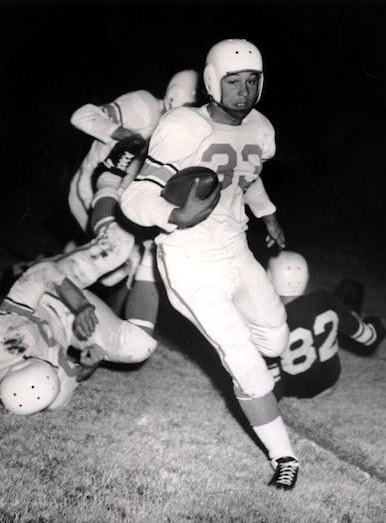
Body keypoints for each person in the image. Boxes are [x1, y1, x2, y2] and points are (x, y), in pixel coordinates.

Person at [121, 38, 299, 490]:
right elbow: (136, 194)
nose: (243, 90)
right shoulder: (183, 126)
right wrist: (171, 215)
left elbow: (247, 177)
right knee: (241, 356)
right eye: (234, 81)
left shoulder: (261, 127)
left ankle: (268, 373)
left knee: (276, 335)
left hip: (236, 250)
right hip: (189, 259)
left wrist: (268, 214)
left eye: (252, 81)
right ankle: (285, 456)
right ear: (213, 82)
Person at [67, 69, 199, 332]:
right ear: (173, 101)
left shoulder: (178, 132)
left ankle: (112, 332)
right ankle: (38, 282)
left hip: (124, 200)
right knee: (114, 259)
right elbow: (81, 116)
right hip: (93, 188)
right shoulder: (144, 105)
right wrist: (123, 133)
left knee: (132, 263)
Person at [0, 221, 158, 415]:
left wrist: (80, 305)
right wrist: (89, 366)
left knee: (118, 243)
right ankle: (150, 255)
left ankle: (105, 214)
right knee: (138, 345)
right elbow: (75, 376)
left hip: (45, 294)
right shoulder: (51, 396)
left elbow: (41, 274)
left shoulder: (2, 339)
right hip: (67, 328)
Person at [265, 250, 386, 399]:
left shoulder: (267, 319)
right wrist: (376, 322)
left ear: (268, 278)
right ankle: (350, 313)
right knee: (341, 304)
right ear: (307, 277)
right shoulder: (326, 298)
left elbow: (269, 374)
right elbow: (369, 338)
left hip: (293, 388)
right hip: (329, 380)